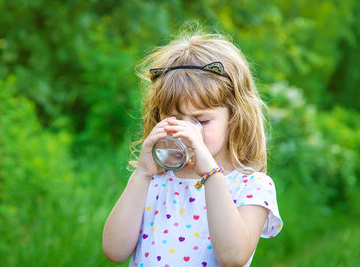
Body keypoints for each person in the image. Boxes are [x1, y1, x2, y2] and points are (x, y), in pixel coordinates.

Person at [102, 30, 283, 267]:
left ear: (234, 117)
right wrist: (142, 174)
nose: (186, 131)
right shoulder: (153, 181)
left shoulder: (251, 187)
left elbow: (233, 256)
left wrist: (209, 172)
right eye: (175, 119)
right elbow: (114, 251)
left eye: (202, 121)